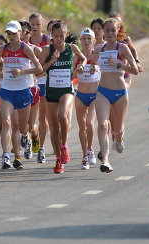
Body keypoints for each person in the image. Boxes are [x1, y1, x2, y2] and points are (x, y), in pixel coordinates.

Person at [0, 21, 43, 170]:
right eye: (9, 33)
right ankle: (7, 156)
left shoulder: (26, 48)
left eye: (14, 33)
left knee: (22, 128)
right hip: (7, 90)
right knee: (7, 123)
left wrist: (22, 72)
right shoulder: (2, 49)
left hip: (24, 90)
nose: (11, 36)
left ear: (20, 33)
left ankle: (21, 149)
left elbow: (38, 68)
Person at [90, 18, 139, 173]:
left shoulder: (122, 48)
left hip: (120, 93)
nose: (110, 33)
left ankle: (119, 138)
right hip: (103, 91)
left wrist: (118, 65)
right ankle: (105, 160)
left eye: (113, 30)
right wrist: (90, 68)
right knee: (103, 125)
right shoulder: (99, 49)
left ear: (117, 31)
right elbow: (92, 66)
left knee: (117, 128)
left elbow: (135, 70)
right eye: (107, 30)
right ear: (103, 31)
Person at [39, 21, 87, 174]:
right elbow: (39, 71)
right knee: (54, 129)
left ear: (66, 35)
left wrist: (81, 66)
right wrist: (52, 60)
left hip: (66, 89)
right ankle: (59, 160)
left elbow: (83, 58)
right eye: (56, 36)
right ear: (51, 36)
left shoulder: (71, 48)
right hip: (51, 91)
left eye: (62, 36)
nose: (59, 39)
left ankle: (64, 146)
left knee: (62, 115)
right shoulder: (46, 49)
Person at [75, 28, 99, 170]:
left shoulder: (98, 55)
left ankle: (90, 149)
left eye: (89, 38)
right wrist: (76, 72)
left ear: (94, 40)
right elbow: (71, 77)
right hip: (81, 95)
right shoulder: (76, 56)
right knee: (82, 127)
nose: (86, 41)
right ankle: (84, 156)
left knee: (90, 123)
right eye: (84, 38)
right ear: (80, 41)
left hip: (95, 95)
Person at [30, 12, 50, 163]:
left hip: (44, 83)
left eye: (38, 24)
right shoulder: (25, 41)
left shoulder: (48, 41)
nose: (35, 27)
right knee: (27, 121)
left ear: (42, 25)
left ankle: (41, 148)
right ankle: (31, 138)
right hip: (28, 83)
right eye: (32, 25)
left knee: (42, 118)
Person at [19, 20, 42, 160]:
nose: (21, 36)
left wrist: (31, 73)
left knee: (31, 125)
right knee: (20, 125)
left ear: (29, 33)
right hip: (15, 88)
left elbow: (43, 68)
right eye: (18, 32)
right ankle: (25, 142)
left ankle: (35, 138)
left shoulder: (36, 49)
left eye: (23, 33)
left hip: (32, 88)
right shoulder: (10, 49)